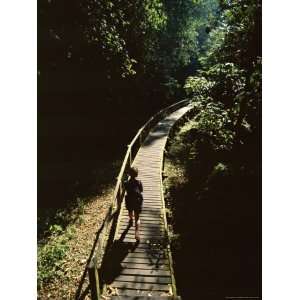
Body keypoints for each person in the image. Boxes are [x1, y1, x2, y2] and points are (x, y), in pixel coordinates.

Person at [124, 167, 143, 241]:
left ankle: (131, 219)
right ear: (137, 174)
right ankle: (137, 233)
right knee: (137, 217)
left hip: (129, 200)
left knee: (130, 211)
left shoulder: (126, 183)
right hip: (137, 201)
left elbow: (126, 189)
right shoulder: (139, 182)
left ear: (129, 174)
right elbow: (141, 190)